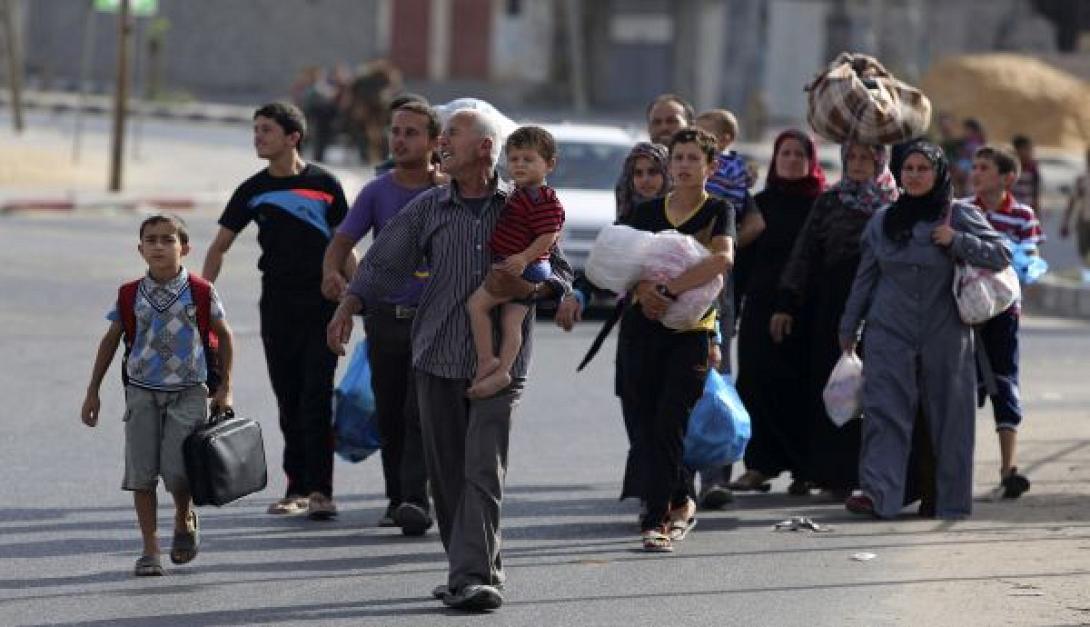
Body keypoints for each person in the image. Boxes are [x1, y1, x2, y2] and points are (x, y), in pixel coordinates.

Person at [327, 108, 572, 611]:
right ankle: (478, 567)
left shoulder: (523, 205)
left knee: (483, 468)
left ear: (485, 148)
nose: (442, 143)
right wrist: (348, 306)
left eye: (452, 134)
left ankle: (471, 577)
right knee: (448, 476)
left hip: (500, 364)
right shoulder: (428, 207)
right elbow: (382, 262)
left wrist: (536, 284)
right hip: (437, 353)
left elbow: (560, 272)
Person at [839, 142, 1011, 519]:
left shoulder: (959, 215)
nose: (915, 176)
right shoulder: (884, 220)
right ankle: (878, 495)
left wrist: (958, 241)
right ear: (899, 174)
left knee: (951, 416)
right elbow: (865, 279)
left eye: (923, 169)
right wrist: (849, 327)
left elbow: (1002, 255)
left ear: (938, 173)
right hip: (889, 329)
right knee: (884, 413)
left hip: (945, 329)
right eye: (908, 169)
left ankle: (950, 502)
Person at [202, 102, 350, 520]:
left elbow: (345, 246)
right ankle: (296, 487)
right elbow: (219, 247)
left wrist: (358, 296)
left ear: (292, 137)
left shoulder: (325, 184)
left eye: (266, 130)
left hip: (322, 303)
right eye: (255, 130)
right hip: (278, 304)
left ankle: (320, 490)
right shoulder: (253, 189)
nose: (258, 137)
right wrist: (201, 298)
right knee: (288, 398)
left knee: (316, 397)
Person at [81, 214, 234, 576]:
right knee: (142, 473)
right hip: (141, 393)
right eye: (151, 240)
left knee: (179, 472)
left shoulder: (200, 291)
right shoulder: (130, 293)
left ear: (185, 248)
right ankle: (150, 549)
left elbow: (225, 336)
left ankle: (184, 519)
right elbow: (111, 340)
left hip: (189, 392)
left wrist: (225, 388)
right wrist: (93, 392)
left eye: (168, 239)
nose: (159, 246)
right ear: (140, 249)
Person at [320, 100, 441, 534]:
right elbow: (341, 242)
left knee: (418, 411)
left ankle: (416, 498)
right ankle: (398, 499)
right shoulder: (377, 192)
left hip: (436, 321)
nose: (400, 140)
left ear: (433, 142)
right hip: (386, 319)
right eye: (396, 131)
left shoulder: (448, 192)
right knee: (389, 412)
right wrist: (333, 274)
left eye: (411, 132)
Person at [615, 128, 735, 551]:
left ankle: (657, 517)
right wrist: (642, 290)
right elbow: (617, 258)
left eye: (693, 159)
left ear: (710, 167)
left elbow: (721, 259)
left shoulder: (719, 210)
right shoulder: (646, 212)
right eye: (678, 158)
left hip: (691, 334)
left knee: (671, 420)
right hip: (642, 330)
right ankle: (680, 498)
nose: (684, 166)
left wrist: (669, 290)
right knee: (646, 425)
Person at [771, 142, 899, 498]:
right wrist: (787, 301)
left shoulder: (894, 205)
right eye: (852, 157)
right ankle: (827, 473)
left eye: (866, 158)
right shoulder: (831, 200)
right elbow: (805, 251)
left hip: (881, 308)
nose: (858, 164)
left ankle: (868, 473)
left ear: (880, 161)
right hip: (831, 305)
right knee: (833, 388)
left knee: (875, 389)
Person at [557, 142, 671, 506]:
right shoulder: (628, 220)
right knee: (636, 409)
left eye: (653, 172)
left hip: (680, 328)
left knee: (669, 417)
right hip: (636, 327)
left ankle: (668, 495)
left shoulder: (687, 217)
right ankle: (650, 492)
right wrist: (578, 296)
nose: (646, 181)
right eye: (638, 173)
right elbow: (599, 269)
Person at [729, 129, 826, 495]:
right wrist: (732, 311)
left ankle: (806, 470)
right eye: (785, 153)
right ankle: (759, 466)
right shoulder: (759, 205)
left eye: (799, 154)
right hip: (760, 307)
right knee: (754, 382)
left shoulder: (822, 204)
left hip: (808, 309)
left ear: (811, 160)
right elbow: (741, 262)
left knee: (803, 387)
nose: (791, 160)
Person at [692, 107, 767, 506]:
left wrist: (723, 246)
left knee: (717, 381)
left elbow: (753, 223)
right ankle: (676, 476)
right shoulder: (666, 186)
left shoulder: (730, 189)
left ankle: (716, 477)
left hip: (716, 297)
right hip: (674, 299)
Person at [966, 144, 1042, 499]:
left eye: (985, 167)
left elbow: (1030, 262)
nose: (976, 172)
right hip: (965, 313)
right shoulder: (962, 211)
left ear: (1007, 177)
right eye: (976, 166)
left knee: (1004, 383)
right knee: (961, 389)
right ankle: (954, 467)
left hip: (1004, 313)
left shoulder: (1022, 216)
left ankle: (1008, 468)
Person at [467, 126, 565, 399]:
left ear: (549, 165)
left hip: (527, 267)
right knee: (511, 323)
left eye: (528, 159)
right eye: (514, 159)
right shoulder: (521, 192)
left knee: (476, 306)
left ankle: (489, 360)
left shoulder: (543, 199)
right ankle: (501, 371)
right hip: (522, 265)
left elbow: (548, 236)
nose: (519, 164)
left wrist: (523, 258)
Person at [1060, 147, 1090, 283]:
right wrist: (1065, 223)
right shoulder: (1082, 180)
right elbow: (1072, 201)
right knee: (1084, 252)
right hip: (1084, 221)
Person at [1011, 135, 1043, 220]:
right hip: (1010, 210)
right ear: (1017, 150)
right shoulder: (1009, 166)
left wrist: (1036, 214)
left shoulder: (1033, 168)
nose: (1029, 153)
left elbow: (1036, 192)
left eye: (1030, 149)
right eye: (1026, 149)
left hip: (1026, 210)